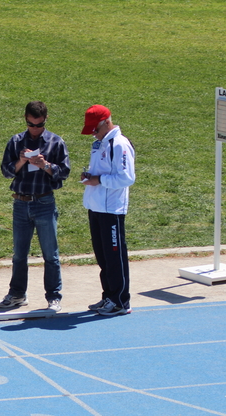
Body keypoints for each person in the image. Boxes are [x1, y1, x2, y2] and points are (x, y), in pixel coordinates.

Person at [0, 101, 70, 312]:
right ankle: (18, 294)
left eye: (38, 125)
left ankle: (54, 296)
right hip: (21, 203)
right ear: (26, 119)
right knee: (19, 254)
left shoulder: (56, 142)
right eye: (30, 124)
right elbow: (6, 171)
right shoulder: (16, 141)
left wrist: (45, 165)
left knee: (50, 254)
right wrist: (20, 162)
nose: (34, 129)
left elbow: (64, 171)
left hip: (44, 202)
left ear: (45, 121)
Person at [80, 105, 136, 316]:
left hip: (112, 209)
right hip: (96, 206)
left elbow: (127, 178)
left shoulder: (119, 144)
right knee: (103, 257)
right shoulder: (101, 143)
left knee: (115, 258)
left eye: (94, 129)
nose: (92, 134)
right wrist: (89, 176)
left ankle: (121, 301)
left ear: (106, 123)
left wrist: (98, 180)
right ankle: (108, 296)